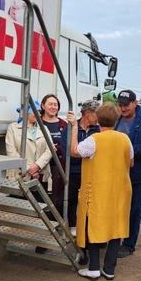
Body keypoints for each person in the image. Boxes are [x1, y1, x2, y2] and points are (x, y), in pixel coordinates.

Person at [67, 103, 134, 281]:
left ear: (97, 118)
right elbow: (131, 162)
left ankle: (94, 268)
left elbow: (75, 151)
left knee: (94, 226)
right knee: (116, 228)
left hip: (98, 190)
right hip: (120, 190)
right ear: (116, 118)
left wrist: (74, 128)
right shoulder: (125, 139)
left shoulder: (94, 140)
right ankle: (109, 269)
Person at [113, 90, 141, 258]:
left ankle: (129, 244)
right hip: (118, 173)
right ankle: (115, 238)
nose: (123, 108)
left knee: (134, 210)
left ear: (135, 103)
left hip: (138, 175)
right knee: (118, 208)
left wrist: (129, 150)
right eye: (121, 105)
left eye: (126, 105)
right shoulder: (117, 120)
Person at [58, 100, 101, 236]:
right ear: (88, 114)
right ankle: (69, 227)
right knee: (63, 203)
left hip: (92, 175)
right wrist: (87, 155)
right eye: (96, 115)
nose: (98, 119)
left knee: (90, 206)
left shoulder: (99, 130)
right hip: (74, 173)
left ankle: (91, 235)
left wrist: (78, 152)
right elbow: (67, 155)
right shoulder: (69, 128)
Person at [5, 101, 53, 198]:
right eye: (36, 111)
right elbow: (11, 152)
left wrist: (37, 166)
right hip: (19, 176)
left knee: (39, 209)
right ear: (26, 112)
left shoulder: (43, 128)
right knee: (18, 208)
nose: (39, 114)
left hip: (40, 175)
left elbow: (50, 149)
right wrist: (29, 168)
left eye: (39, 111)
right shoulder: (13, 128)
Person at [40, 94, 67, 201]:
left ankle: (51, 217)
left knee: (54, 196)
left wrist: (58, 148)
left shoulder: (64, 124)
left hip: (56, 166)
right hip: (39, 165)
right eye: (50, 104)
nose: (53, 107)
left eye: (56, 105)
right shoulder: (37, 122)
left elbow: (68, 144)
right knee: (39, 196)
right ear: (43, 106)